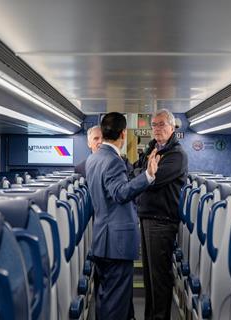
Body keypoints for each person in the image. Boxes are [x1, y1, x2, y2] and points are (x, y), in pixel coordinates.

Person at [85, 112, 160, 319]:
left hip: (103, 239)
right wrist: (148, 176)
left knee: (110, 298)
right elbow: (119, 193)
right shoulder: (113, 160)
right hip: (116, 244)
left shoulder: (93, 159)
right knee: (115, 304)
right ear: (123, 133)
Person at [134, 109, 188, 320]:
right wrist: (145, 173)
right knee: (149, 278)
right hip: (147, 217)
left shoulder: (176, 155)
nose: (157, 128)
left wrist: (145, 175)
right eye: (154, 125)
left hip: (162, 221)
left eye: (161, 124)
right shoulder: (152, 149)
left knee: (159, 279)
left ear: (172, 127)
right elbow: (135, 173)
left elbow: (153, 181)